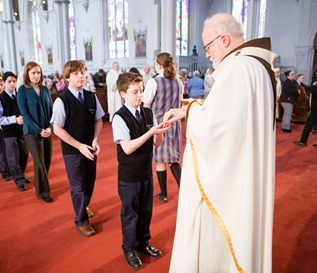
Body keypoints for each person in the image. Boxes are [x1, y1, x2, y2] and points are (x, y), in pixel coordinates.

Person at [165, 13, 276, 272]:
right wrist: (193, 107)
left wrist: (191, 112)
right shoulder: (257, 66)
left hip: (229, 185)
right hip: (245, 171)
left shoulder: (238, 68)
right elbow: (234, 118)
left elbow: (216, 128)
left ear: (224, 39)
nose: (208, 55)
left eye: (208, 47)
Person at [112, 72, 169, 269]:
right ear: (123, 94)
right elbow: (127, 148)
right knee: (130, 214)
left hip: (146, 172)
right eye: (135, 92)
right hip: (129, 176)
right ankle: (129, 248)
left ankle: (143, 242)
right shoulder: (119, 117)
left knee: (146, 211)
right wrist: (151, 132)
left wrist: (160, 132)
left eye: (141, 90)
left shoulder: (147, 112)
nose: (140, 95)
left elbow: (157, 143)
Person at [51, 60, 104, 236]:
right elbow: (57, 129)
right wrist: (79, 146)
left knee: (89, 182)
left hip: (90, 148)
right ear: (67, 78)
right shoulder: (62, 100)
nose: (81, 76)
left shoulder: (91, 96)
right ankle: (81, 220)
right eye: (76, 73)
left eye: (83, 72)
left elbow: (98, 120)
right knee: (78, 186)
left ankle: (83, 205)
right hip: (73, 150)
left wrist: (95, 140)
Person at [143, 52, 183, 203]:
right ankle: (183, 191)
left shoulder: (154, 82)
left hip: (159, 124)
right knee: (173, 159)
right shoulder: (178, 81)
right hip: (174, 122)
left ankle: (164, 194)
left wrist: (148, 127)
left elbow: (146, 106)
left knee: (160, 160)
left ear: (159, 65)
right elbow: (179, 103)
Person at [17, 61, 53, 203]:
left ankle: (39, 183)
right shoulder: (22, 90)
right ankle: (43, 192)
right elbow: (25, 115)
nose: (36, 75)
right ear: (27, 74)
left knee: (47, 161)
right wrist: (39, 130)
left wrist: (50, 127)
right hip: (31, 131)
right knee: (39, 162)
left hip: (47, 130)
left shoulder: (44, 89)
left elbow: (51, 111)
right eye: (33, 73)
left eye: (38, 72)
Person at [0, 72, 29, 191]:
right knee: (13, 157)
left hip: (22, 131)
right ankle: (19, 180)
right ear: (4, 83)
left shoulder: (20, 95)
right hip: (9, 132)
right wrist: (15, 119)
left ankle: (22, 174)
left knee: (24, 154)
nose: (12, 84)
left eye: (14, 81)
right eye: (9, 81)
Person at [294, 67, 317, 147]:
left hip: (316, 109)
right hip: (316, 108)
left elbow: (315, 93)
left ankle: (303, 141)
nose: (316, 73)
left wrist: (314, 86)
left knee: (308, 124)